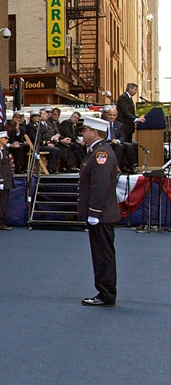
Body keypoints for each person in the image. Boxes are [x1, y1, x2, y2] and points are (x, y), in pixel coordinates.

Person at [78, 115, 120, 306]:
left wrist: (94, 212)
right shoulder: (96, 151)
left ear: (94, 132)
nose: (82, 133)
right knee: (101, 253)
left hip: (101, 215)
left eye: (85, 130)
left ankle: (106, 293)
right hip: (101, 214)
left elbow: (100, 186)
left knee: (103, 255)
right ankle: (105, 291)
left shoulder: (100, 154)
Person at [102, 106, 139, 173]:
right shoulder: (102, 124)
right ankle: (116, 166)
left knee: (129, 145)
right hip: (105, 142)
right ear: (107, 115)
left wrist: (117, 141)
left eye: (114, 115)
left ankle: (129, 166)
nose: (111, 117)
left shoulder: (119, 125)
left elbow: (122, 137)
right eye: (110, 115)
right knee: (120, 146)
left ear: (116, 116)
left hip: (115, 142)